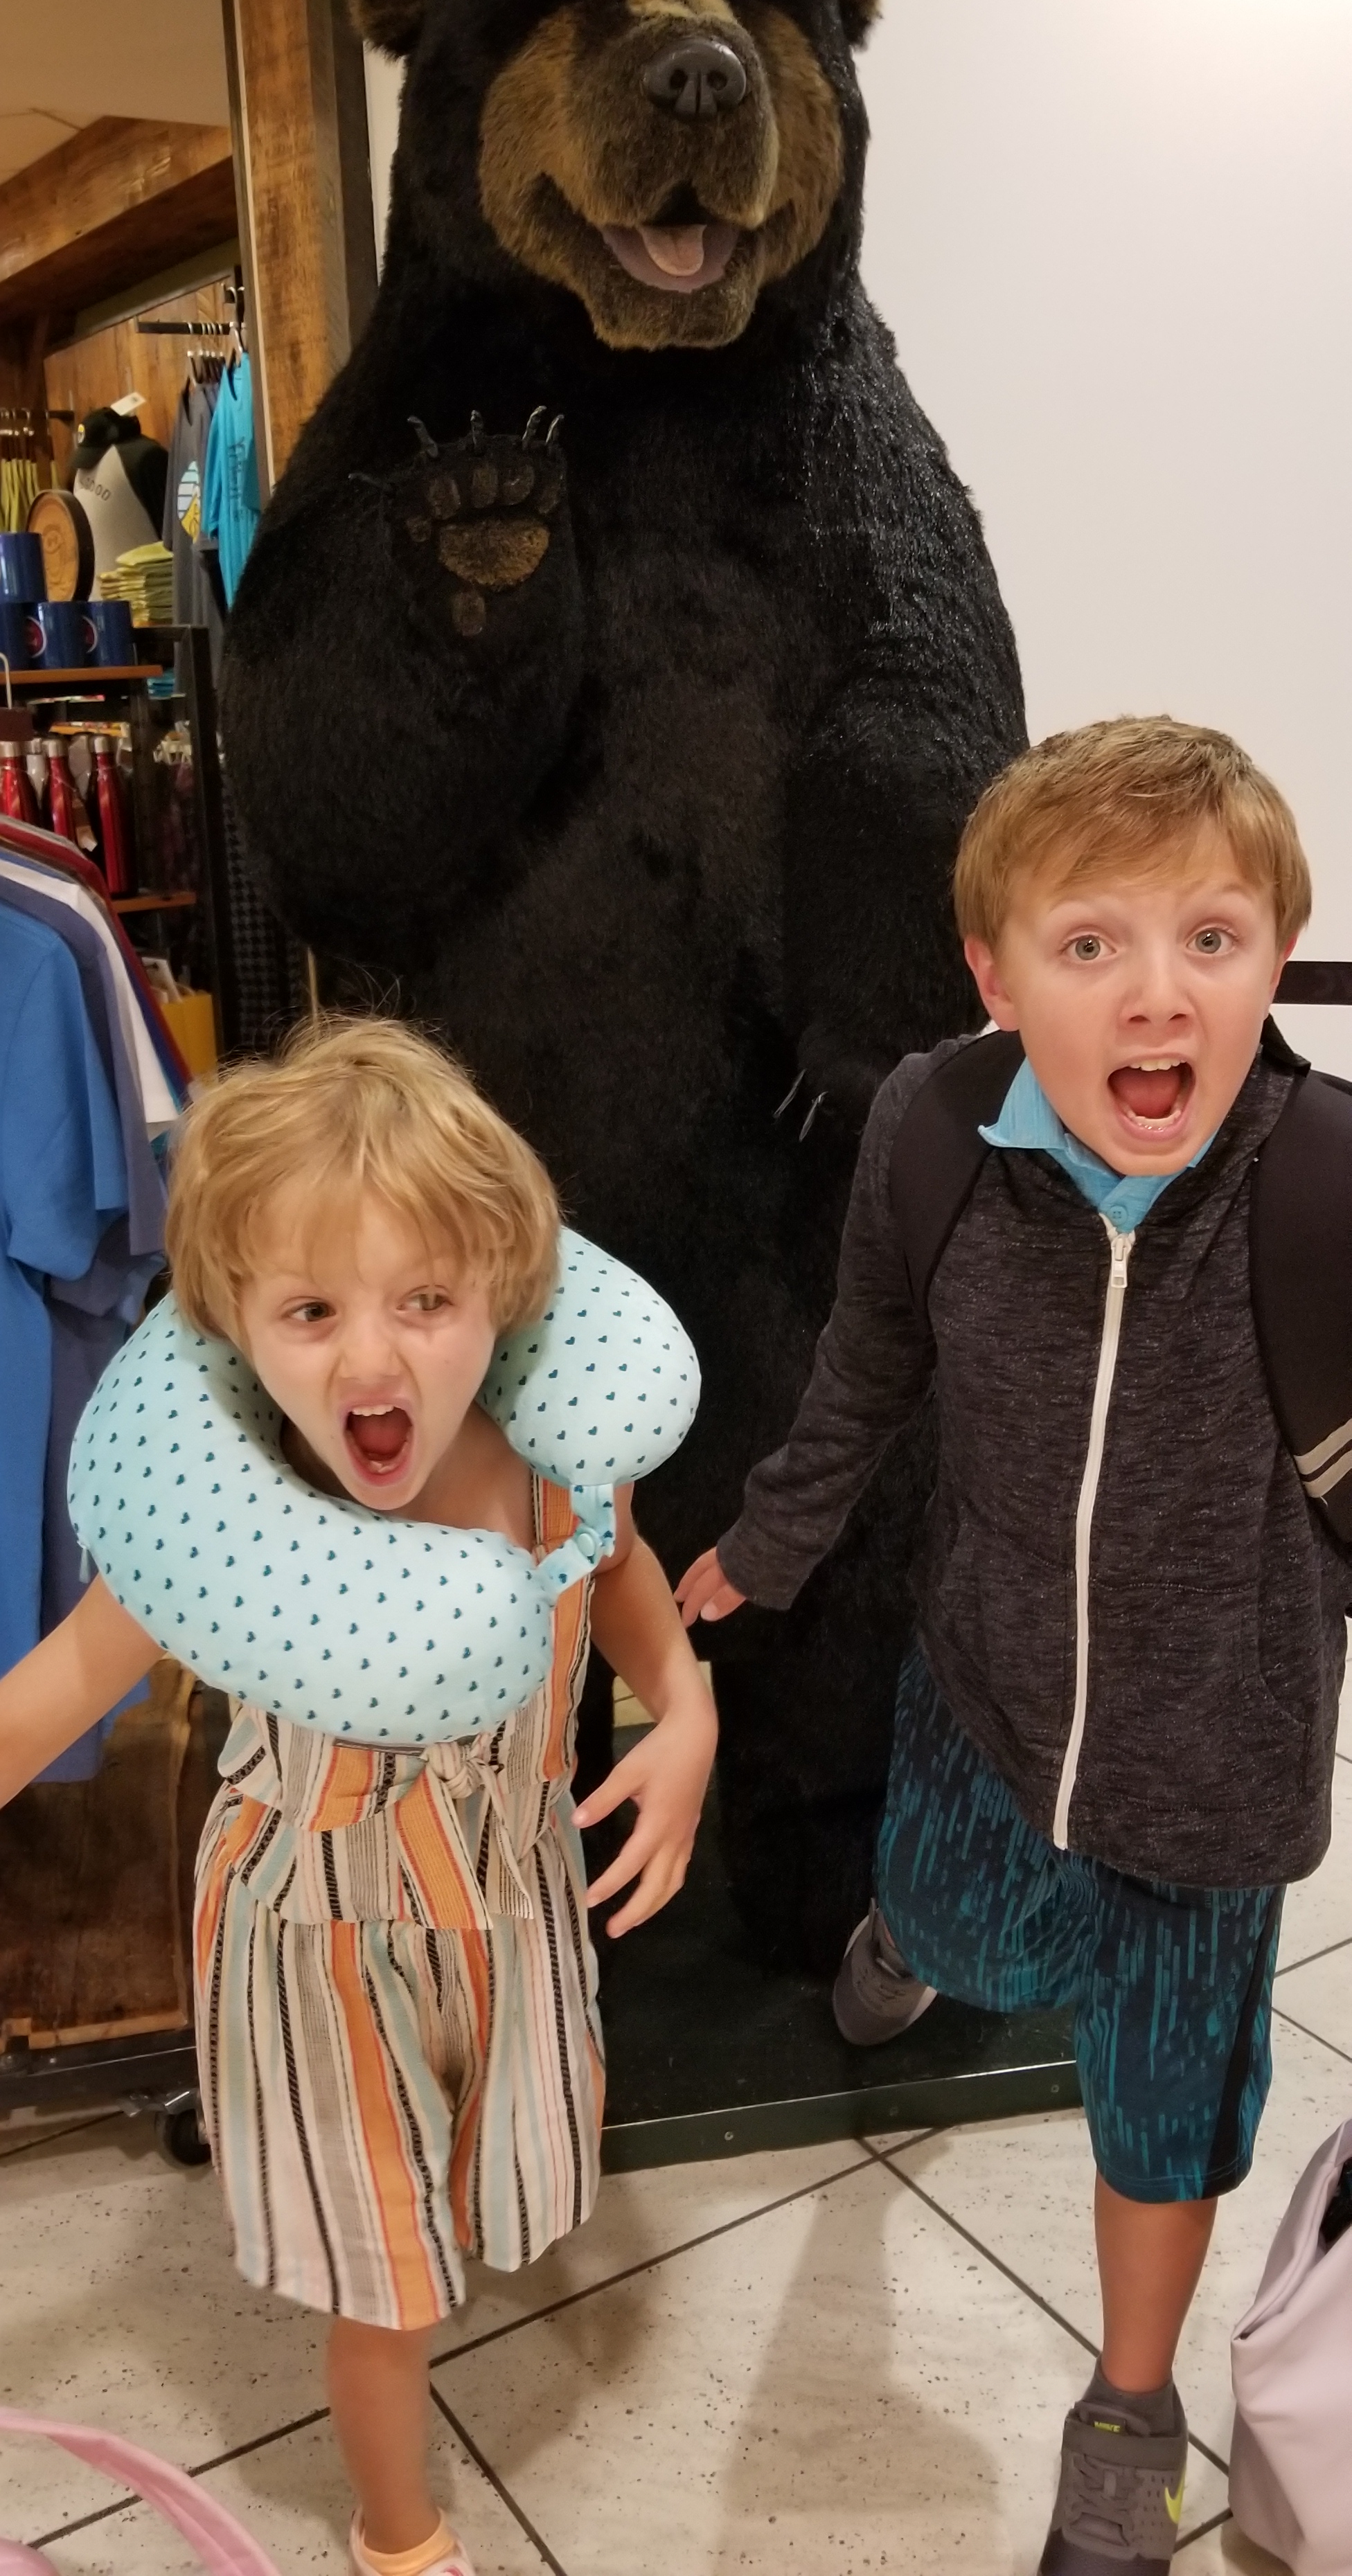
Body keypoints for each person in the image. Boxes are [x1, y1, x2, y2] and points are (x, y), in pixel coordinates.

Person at [678, 716, 1351, 2576]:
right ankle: (912, 1935)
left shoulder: (1323, 1185)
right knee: (965, 1928)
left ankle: (1129, 2409)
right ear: (993, 975)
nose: (1158, 994)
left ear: (1274, 955)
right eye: (1091, 944)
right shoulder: (933, 1134)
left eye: (1210, 939)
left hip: (1222, 1774)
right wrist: (769, 1541)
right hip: (988, 1698)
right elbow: (867, 1372)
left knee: (1163, 2108)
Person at [0, 1017, 718, 2576]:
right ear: (234, 1321)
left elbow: (627, 1582)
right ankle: (399, 2538)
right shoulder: (222, 1525)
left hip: (512, 1909)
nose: (372, 1361)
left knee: (503, 2177)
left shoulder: (557, 1460)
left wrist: (691, 1712)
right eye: (312, 1309)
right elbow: (47, 1696)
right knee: (383, 2289)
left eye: (426, 1300)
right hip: (311, 1945)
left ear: (501, 1296)